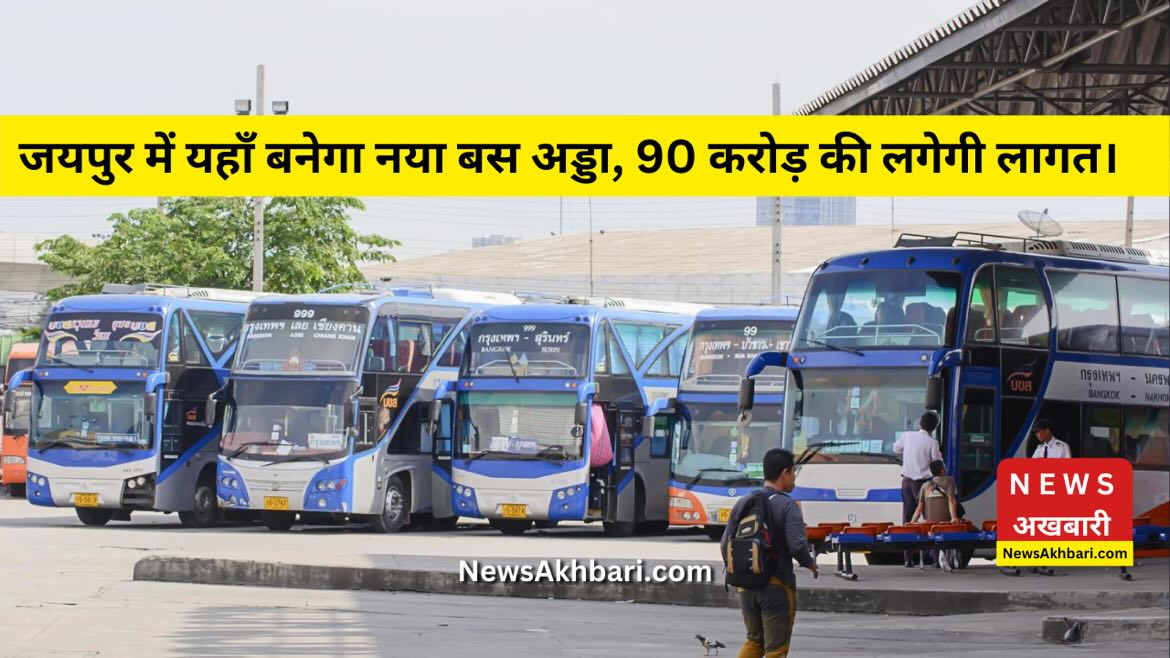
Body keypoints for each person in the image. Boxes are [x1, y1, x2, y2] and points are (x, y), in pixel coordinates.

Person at [720, 449, 817, 658]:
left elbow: (724, 544)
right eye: (794, 473)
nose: (794, 479)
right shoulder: (787, 505)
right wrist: (810, 563)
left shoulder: (744, 502)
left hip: (745, 586)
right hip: (776, 586)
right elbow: (797, 546)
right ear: (785, 473)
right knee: (776, 649)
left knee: (754, 642)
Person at [894, 412, 943, 567]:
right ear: (935, 427)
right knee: (930, 519)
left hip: (907, 483)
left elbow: (896, 448)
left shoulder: (907, 436)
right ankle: (934, 557)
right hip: (924, 485)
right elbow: (938, 464)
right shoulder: (932, 443)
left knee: (908, 520)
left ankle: (908, 559)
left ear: (919, 423)